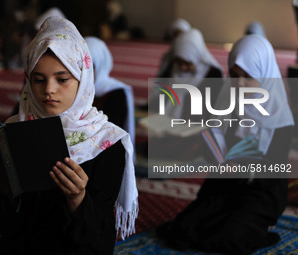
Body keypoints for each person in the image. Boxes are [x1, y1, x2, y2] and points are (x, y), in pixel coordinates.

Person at [0, 17, 138, 255]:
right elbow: (6, 226)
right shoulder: (15, 131)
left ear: (82, 78)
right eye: (38, 79)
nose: (49, 90)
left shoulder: (105, 142)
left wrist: (77, 199)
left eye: (62, 79)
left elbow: (98, 241)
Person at [157, 34, 294, 255]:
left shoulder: (280, 118)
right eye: (234, 75)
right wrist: (207, 142)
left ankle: (261, 231)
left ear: (265, 75)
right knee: (183, 230)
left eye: (248, 77)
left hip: (260, 192)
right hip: (225, 184)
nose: (239, 84)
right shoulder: (228, 101)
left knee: (231, 238)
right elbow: (215, 147)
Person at [84, 36, 135, 148]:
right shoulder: (75, 88)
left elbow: (113, 132)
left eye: (89, 67)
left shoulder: (115, 93)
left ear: (101, 65)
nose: (84, 73)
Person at [161, 28, 224, 120]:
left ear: (197, 56)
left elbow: (216, 104)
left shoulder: (213, 73)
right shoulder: (173, 68)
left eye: (187, 63)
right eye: (179, 63)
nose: (182, 68)